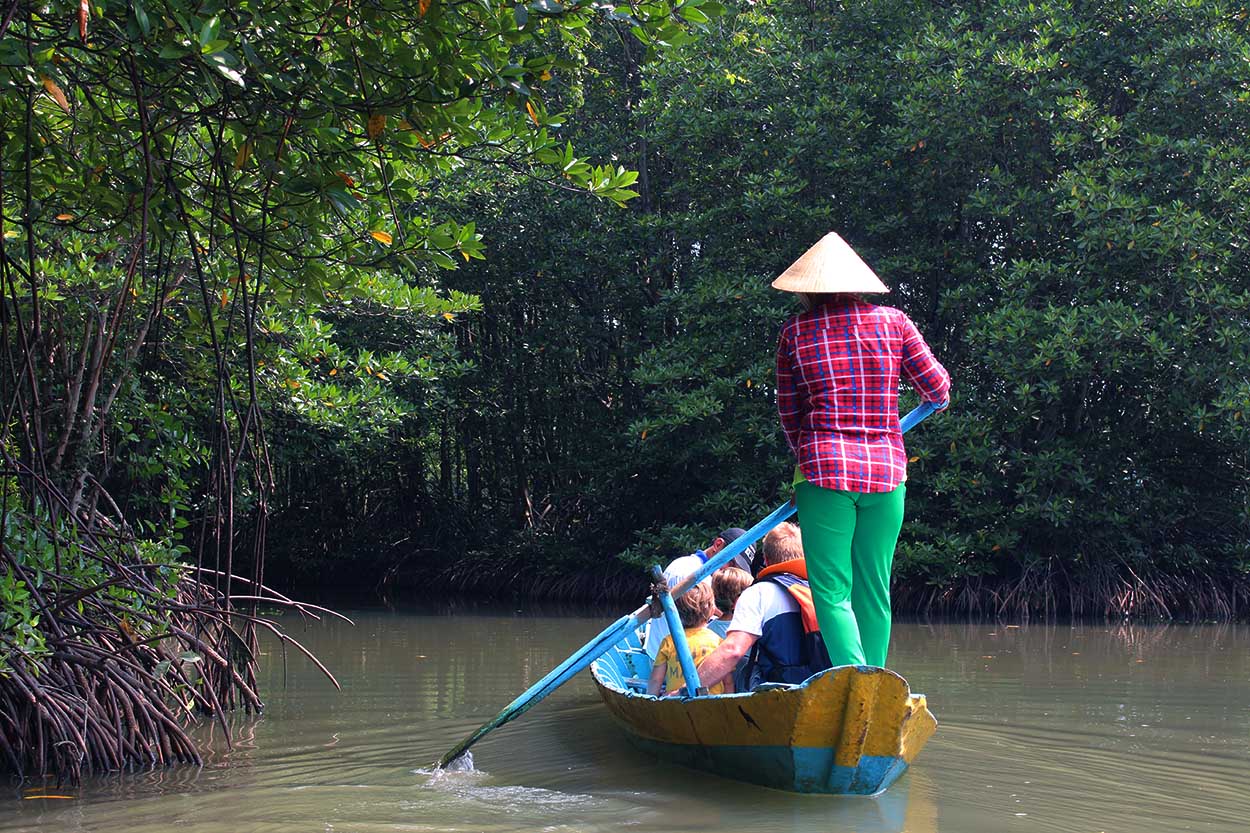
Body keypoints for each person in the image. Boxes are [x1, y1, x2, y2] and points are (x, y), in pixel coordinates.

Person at [772, 231, 950, 668]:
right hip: (886, 472)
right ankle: (876, 682)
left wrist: (807, 461)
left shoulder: (795, 331)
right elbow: (938, 390)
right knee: (874, 588)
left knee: (832, 591)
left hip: (822, 470)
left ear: (806, 290)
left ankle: (855, 679)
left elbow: (789, 411)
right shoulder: (895, 322)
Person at [695, 522, 830, 691]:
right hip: (824, 688)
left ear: (766, 560)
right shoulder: (825, 593)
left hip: (780, 696)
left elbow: (733, 651)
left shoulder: (759, 592)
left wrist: (687, 689)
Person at [645, 527, 755, 658]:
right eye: (731, 561)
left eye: (737, 567)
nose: (731, 569)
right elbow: (696, 617)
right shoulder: (694, 575)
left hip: (662, 653)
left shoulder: (686, 564)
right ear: (718, 544)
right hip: (672, 660)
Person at [646, 583, 733, 696]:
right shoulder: (718, 642)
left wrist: (652, 702)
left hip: (677, 704)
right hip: (712, 706)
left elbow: (656, 680)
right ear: (712, 610)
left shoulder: (669, 642)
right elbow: (728, 683)